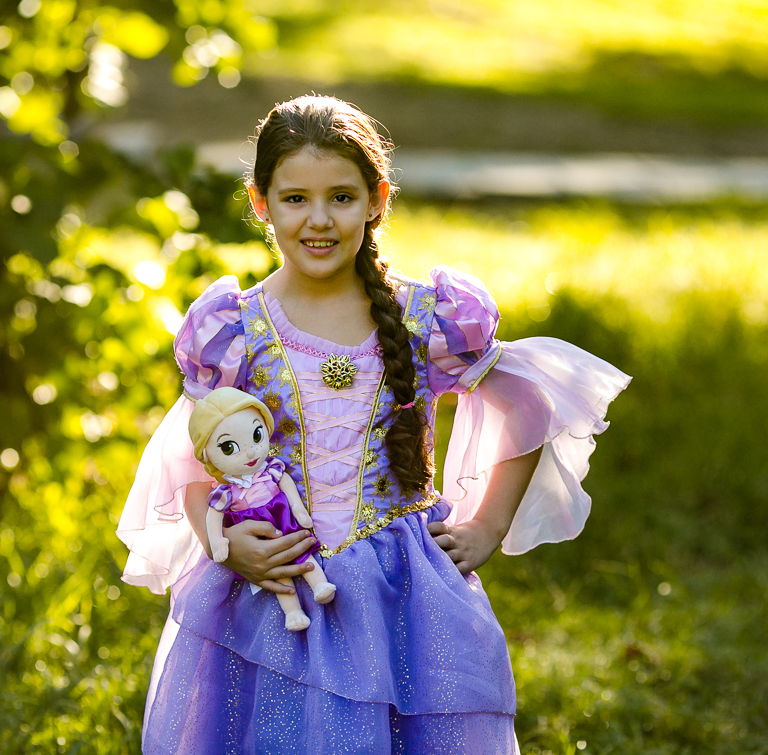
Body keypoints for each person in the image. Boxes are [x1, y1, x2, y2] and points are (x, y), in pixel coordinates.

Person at [116, 95, 630, 754]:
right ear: (260, 203)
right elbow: (194, 461)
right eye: (295, 199)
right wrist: (225, 546)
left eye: (342, 197)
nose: (319, 219)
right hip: (272, 586)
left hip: (401, 593)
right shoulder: (235, 330)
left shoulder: (427, 316)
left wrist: (487, 527)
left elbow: (527, 404)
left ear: (377, 198)